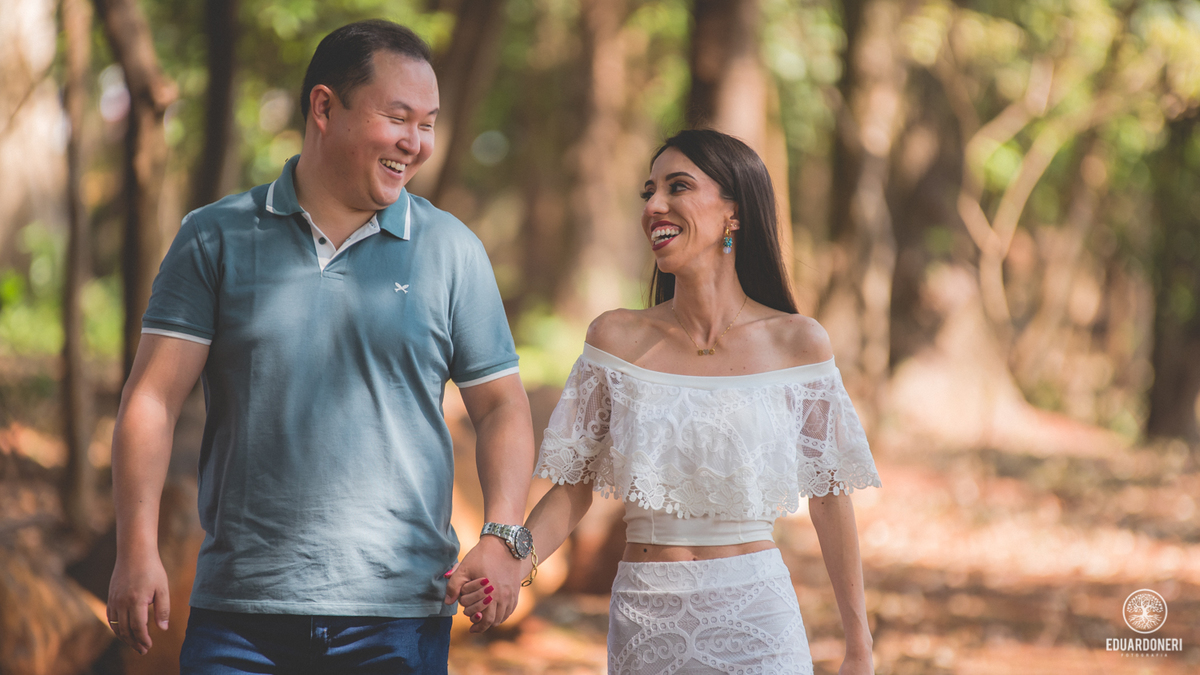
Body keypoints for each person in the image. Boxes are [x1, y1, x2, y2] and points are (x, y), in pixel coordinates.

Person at [105, 19, 536, 673]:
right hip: (238, 620)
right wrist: (136, 547)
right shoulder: (214, 237)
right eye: (399, 117)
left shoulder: (452, 250)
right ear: (325, 107)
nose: (415, 144)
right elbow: (152, 399)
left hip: (398, 617)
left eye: (428, 122)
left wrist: (503, 534)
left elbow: (502, 405)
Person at [456, 129, 882, 674]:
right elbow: (574, 490)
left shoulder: (798, 343)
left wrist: (858, 646)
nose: (654, 205)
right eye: (648, 191)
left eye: (678, 187)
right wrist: (514, 563)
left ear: (734, 213)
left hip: (757, 621)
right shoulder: (615, 339)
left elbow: (830, 500)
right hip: (647, 622)